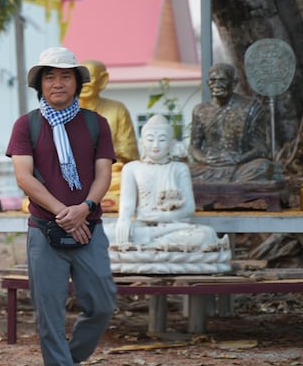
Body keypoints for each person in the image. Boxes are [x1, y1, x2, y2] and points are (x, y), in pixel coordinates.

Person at [6, 47, 116, 366]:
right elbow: (24, 176)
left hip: (89, 226)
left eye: (65, 76)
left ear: (77, 83)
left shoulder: (95, 123)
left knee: (101, 303)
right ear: (40, 84)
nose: (57, 83)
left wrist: (83, 209)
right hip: (44, 228)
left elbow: (103, 175)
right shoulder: (27, 125)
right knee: (48, 310)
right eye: (50, 76)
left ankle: (71, 359)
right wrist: (62, 212)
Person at [106, 115, 229, 251]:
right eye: (150, 139)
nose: (155, 145)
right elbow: (127, 204)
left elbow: (189, 208)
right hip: (140, 226)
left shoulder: (179, 168)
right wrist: (123, 221)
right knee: (103, 233)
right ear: (142, 143)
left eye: (162, 140)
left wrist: (163, 216)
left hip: (172, 227)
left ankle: (145, 247)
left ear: (172, 144)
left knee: (205, 235)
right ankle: (158, 247)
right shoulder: (132, 168)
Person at [188, 63, 279, 182]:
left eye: (222, 80)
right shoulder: (200, 110)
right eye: (213, 80)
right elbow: (194, 147)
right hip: (210, 167)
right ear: (208, 83)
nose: (217, 84)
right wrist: (205, 160)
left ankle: (224, 181)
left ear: (234, 83)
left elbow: (261, 148)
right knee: (183, 170)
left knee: (263, 167)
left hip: (239, 166)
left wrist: (238, 159)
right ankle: (229, 182)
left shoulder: (251, 107)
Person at [80, 59, 139, 211]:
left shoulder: (117, 109)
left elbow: (128, 151)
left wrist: (103, 156)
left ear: (103, 80)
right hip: (75, 174)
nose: (84, 83)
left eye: (89, 78)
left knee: (128, 178)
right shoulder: (63, 111)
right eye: (81, 78)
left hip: (111, 173)